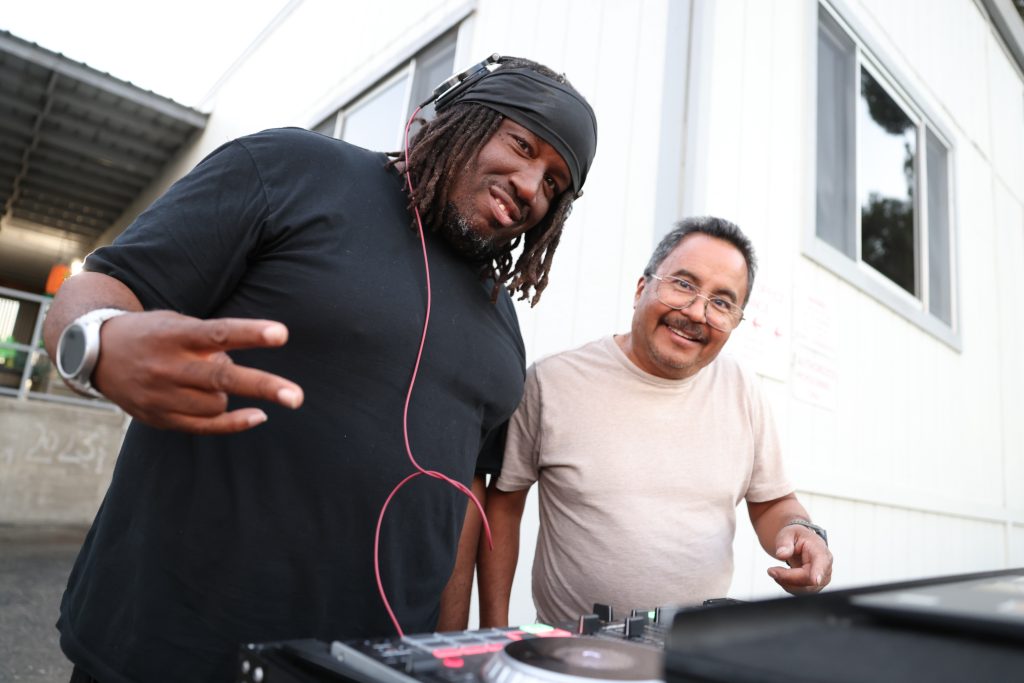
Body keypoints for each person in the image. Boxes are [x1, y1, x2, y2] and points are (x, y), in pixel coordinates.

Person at [42, 55, 597, 682]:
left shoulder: (504, 327)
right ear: (453, 115)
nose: (530, 185)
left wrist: (446, 654)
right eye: (521, 144)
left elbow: (461, 496)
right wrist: (100, 343)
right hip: (169, 644)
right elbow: (104, 287)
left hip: (368, 667)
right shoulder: (295, 169)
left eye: (554, 184)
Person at [476, 216, 833, 627]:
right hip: (571, 656)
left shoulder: (741, 390)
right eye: (683, 284)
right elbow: (504, 504)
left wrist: (802, 531)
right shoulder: (552, 381)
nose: (697, 312)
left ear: (735, 322)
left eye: (721, 302)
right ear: (642, 288)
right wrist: (495, 632)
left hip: (692, 652)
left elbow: (772, 502)